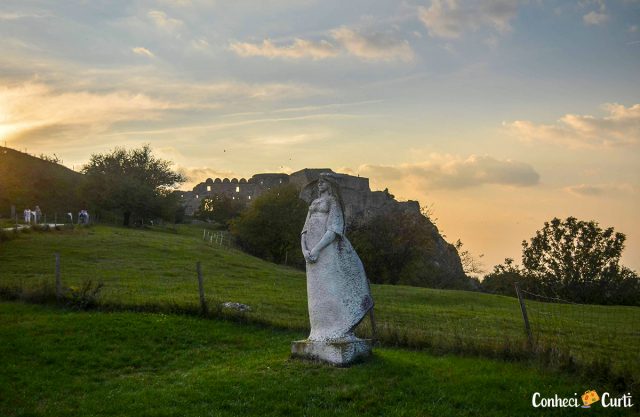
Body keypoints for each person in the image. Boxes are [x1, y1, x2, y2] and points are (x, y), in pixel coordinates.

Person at [300, 173, 374, 341]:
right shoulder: (313, 203)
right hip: (310, 253)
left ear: (330, 184)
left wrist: (317, 249)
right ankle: (318, 331)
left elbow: (334, 229)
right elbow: (304, 229)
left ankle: (338, 329)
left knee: (330, 287)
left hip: (326, 250)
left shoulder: (333, 202)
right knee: (315, 292)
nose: (319, 184)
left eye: (323, 181)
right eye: (318, 181)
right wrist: (304, 250)